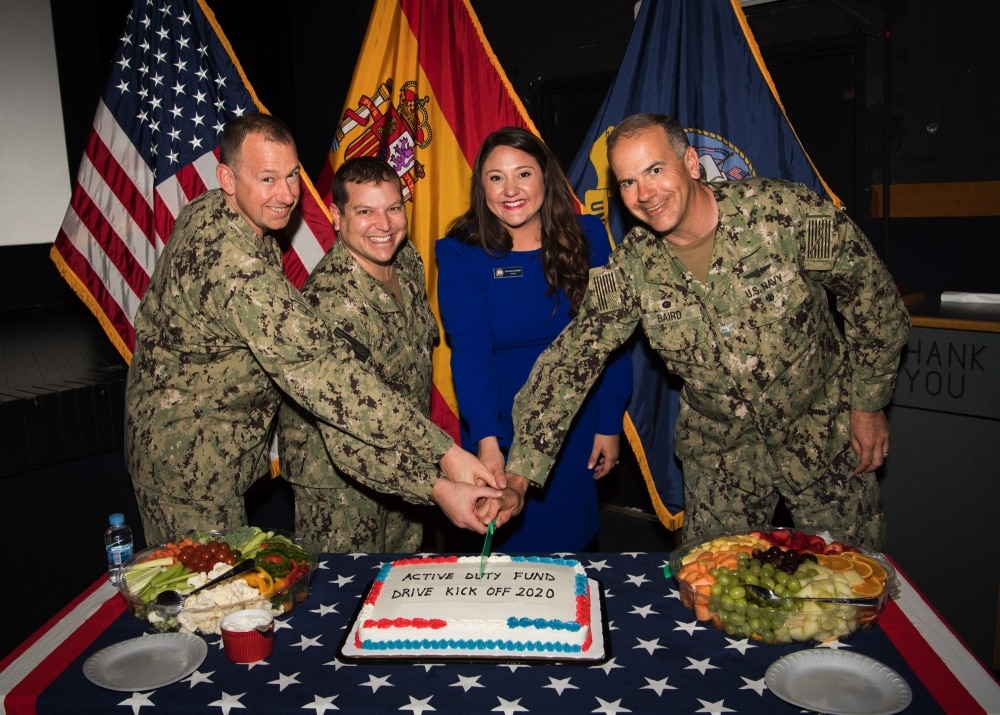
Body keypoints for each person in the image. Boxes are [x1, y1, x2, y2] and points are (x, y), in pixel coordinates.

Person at [497, 113, 909, 552]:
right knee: (714, 597)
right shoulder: (632, 267)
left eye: (656, 170)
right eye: (629, 182)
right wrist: (519, 476)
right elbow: (571, 361)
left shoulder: (786, 214)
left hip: (825, 440)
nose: (645, 194)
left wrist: (868, 404)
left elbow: (873, 298)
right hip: (723, 467)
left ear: (691, 163)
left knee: (847, 589)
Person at [125, 114, 503, 546]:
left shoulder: (226, 213)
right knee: (203, 596)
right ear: (227, 178)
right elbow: (328, 375)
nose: (285, 195)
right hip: (188, 467)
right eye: (267, 178)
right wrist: (444, 456)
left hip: (216, 453)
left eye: (291, 176)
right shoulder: (235, 268)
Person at [435, 127, 632, 552]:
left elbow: (612, 337)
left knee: (569, 547)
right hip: (498, 420)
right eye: (495, 177)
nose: (511, 189)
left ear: (546, 177)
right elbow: (470, 355)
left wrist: (609, 422)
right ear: (481, 186)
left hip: (575, 419)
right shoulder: (459, 253)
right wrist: (488, 442)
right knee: (504, 550)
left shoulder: (590, 236)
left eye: (523, 174)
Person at [277, 157, 439, 552]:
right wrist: (440, 484)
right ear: (337, 215)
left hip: (403, 456)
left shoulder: (405, 259)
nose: (384, 225)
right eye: (365, 211)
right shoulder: (327, 305)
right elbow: (348, 435)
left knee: (402, 591)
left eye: (393, 208)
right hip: (339, 484)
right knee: (348, 597)